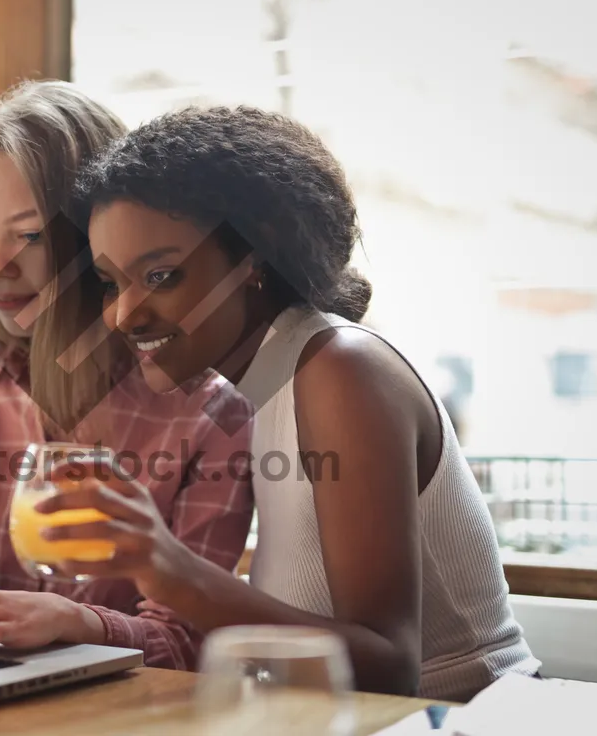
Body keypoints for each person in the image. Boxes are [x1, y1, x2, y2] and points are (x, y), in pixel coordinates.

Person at [36, 105, 539, 701]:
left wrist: (168, 566)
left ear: (253, 259)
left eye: (163, 276)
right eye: (112, 283)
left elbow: (390, 668)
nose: (123, 314)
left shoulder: (341, 370)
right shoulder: (252, 389)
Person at [0, 82, 255, 671]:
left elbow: (194, 643)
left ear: (95, 238)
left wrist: (79, 623)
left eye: (30, 234)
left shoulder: (208, 413)